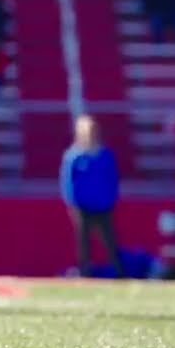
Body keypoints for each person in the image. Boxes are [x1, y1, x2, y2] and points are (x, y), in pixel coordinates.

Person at [60, 115, 123, 277]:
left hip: (103, 206)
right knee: (84, 243)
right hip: (83, 207)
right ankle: (85, 272)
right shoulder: (74, 156)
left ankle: (119, 271)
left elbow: (113, 179)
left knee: (110, 241)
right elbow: (67, 181)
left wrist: (111, 199)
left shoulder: (105, 155)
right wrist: (72, 202)